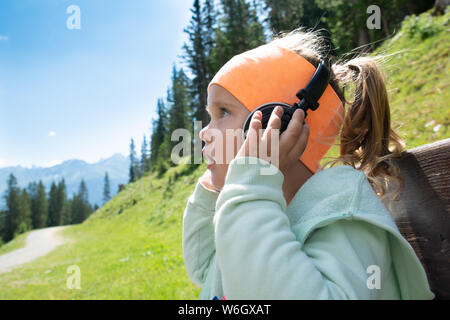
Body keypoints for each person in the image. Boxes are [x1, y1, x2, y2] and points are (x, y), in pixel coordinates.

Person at [182, 28, 434, 300]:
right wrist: (219, 186)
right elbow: (204, 267)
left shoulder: (341, 210)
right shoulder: (262, 204)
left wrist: (250, 185)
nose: (204, 132)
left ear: (279, 125)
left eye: (223, 113)